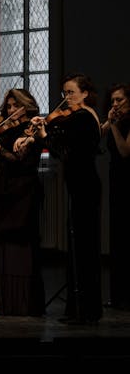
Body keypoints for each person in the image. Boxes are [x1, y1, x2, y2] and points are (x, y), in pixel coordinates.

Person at [17, 72, 102, 324]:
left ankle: (86, 310)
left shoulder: (84, 118)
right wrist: (37, 133)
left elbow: (62, 152)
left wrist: (42, 135)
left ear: (85, 94)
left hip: (85, 186)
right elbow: (61, 141)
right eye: (64, 93)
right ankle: (79, 308)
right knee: (78, 245)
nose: (66, 98)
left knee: (84, 247)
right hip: (80, 185)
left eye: (71, 92)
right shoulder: (76, 118)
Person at [0, 88, 45, 316]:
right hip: (4, 188)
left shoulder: (32, 130)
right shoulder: (5, 128)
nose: (11, 110)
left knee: (20, 243)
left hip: (24, 191)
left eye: (16, 106)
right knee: (0, 242)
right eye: (8, 106)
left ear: (26, 106)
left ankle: (22, 301)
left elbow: (17, 160)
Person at [100, 82, 130, 311]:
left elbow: (124, 151)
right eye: (112, 101)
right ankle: (117, 296)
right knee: (117, 238)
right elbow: (98, 133)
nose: (115, 104)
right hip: (116, 181)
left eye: (119, 100)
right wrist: (107, 122)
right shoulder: (115, 120)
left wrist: (115, 126)